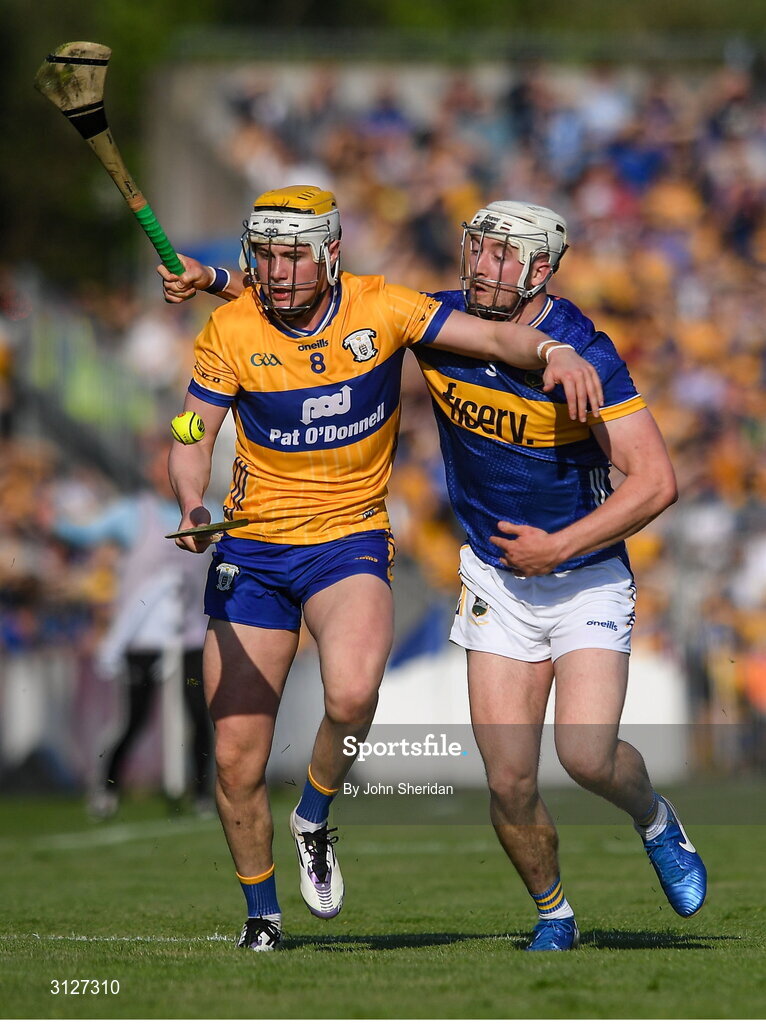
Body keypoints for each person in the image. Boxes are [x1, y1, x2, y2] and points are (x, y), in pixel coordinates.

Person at [159, 185, 603, 952]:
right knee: (234, 757)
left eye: (294, 254)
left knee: (356, 690)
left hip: (349, 537)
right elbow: (193, 430)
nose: (277, 270)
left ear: (330, 254)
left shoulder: (383, 307)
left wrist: (556, 348)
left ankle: (315, 813)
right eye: (264, 255)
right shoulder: (227, 328)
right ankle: (262, 915)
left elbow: (496, 340)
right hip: (254, 549)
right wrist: (192, 501)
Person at [417, 200, 706, 950]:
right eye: (478, 250)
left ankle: (654, 817)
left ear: (542, 269)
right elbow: (330, 309)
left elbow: (653, 482)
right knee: (509, 780)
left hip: (584, 579)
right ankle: (555, 914)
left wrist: (560, 545)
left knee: (585, 756)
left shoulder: (589, 352)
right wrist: (221, 279)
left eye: (503, 257)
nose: (484, 267)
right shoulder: (439, 324)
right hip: (495, 580)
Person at [53, 444, 213, 818]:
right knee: (136, 718)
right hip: (144, 638)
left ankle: (202, 793)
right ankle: (107, 788)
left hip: (190, 635)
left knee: (197, 713)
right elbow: (85, 532)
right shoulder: (133, 513)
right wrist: (54, 518)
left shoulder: (210, 512)